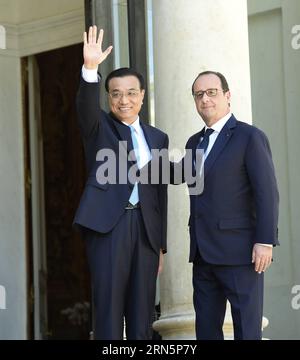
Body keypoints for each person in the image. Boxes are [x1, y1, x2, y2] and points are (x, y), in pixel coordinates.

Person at [73, 26, 168, 340]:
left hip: (145, 232)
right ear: (108, 97)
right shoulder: (99, 127)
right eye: (115, 93)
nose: (123, 100)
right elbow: (86, 108)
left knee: (143, 315)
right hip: (108, 228)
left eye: (130, 93)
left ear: (142, 96)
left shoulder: (158, 138)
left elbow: (159, 194)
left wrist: (161, 245)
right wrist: (90, 68)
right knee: (109, 311)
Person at [173, 71, 279, 340]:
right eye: (199, 95)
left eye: (211, 92)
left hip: (241, 254)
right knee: (206, 332)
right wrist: (134, 164)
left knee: (246, 330)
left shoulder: (249, 137)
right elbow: (178, 174)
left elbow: (266, 192)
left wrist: (265, 241)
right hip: (203, 255)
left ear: (227, 96)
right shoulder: (193, 143)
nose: (205, 99)